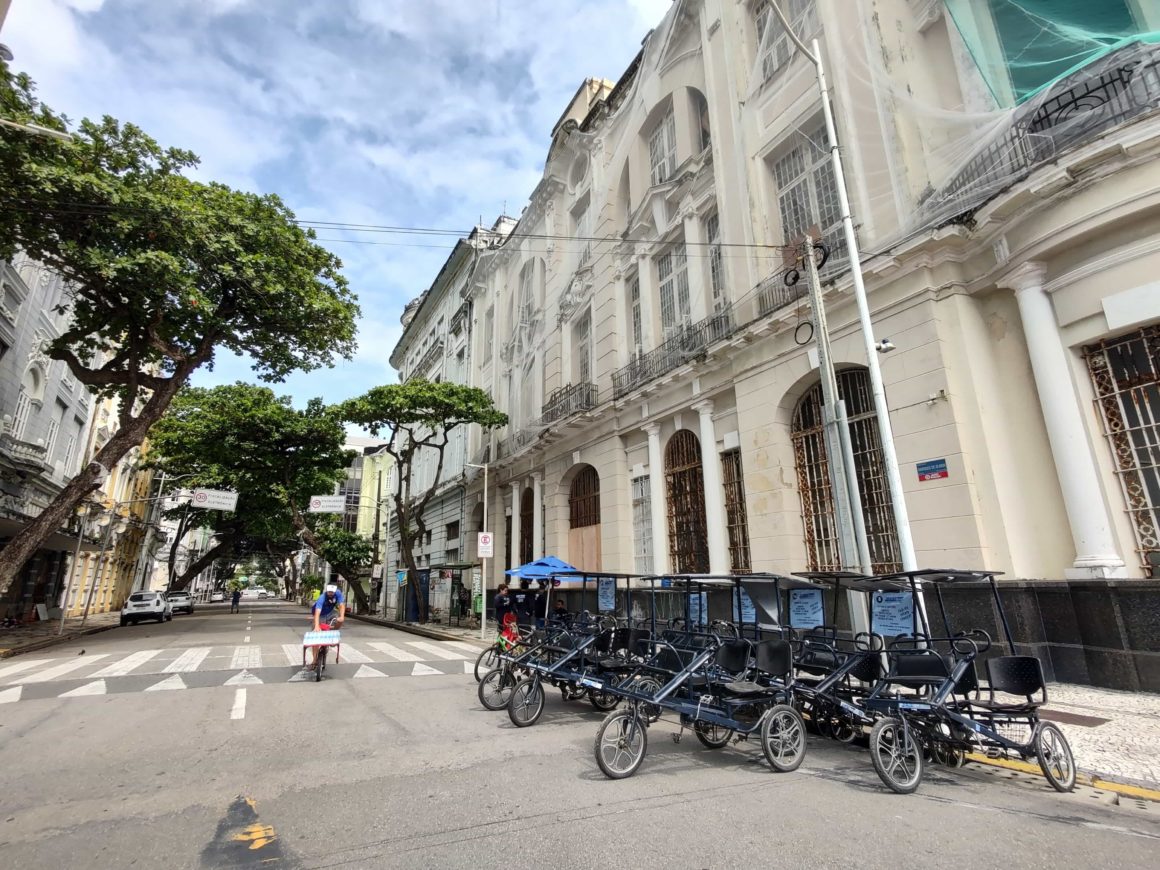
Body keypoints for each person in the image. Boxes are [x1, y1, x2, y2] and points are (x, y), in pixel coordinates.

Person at [309, 584, 345, 668]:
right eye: (329, 592)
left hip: (330, 613)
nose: (330, 593)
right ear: (327, 591)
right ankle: (314, 660)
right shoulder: (322, 597)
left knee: (339, 620)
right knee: (316, 636)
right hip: (320, 614)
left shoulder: (338, 594)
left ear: (335, 591)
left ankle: (333, 634)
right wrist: (317, 626)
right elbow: (317, 612)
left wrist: (342, 616)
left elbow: (341, 605)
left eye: (332, 592)